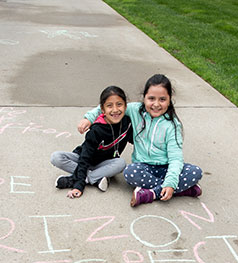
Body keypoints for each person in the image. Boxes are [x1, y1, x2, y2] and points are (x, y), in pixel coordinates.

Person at [78, 74, 202, 207]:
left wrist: (170, 182)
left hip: (165, 167)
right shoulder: (135, 110)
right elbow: (108, 106)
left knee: (195, 172)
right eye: (151, 99)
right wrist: (89, 118)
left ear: (169, 100)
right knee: (129, 172)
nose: (156, 104)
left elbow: (176, 159)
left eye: (162, 99)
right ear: (144, 98)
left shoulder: (172, 125)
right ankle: (182, 190)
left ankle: (151, 193)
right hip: (143, 167)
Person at [50, 86, 132, 198]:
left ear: (125, 106)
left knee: (121, 163)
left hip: (105, 163)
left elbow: (136, 140)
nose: (115, 110)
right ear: (102, 110)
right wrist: (79, 186)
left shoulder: (127, 123)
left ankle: (76, 178)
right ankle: (95, 178)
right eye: (109, 106)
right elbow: (84, 158)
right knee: (56, 157)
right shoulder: (96, 130)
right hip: (84, 159)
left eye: (119, 104)